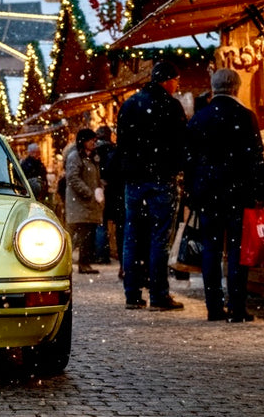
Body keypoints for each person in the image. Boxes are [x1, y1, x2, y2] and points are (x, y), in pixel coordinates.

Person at [185, 67, 264, 322]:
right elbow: (256, 157)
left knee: (210, 249)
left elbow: (189, 160)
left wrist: (193, 191)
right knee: (236, 250)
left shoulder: (200, 118)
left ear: (213, 87)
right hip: (238, 192)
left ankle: (213, 307)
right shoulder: (245, 116)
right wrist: (260, 190)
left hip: (208, 193)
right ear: (236, 88)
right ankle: (237, 306)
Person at [117, 60, 188, 310]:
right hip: (161, 179)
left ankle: (133, 295)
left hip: (134, 181)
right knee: (160, 237)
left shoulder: (130, 104)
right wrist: (178, 170)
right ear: (167, 80)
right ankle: (159, 295)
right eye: (176, 81)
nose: (177, 85)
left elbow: (122, 145)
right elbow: (181, 144)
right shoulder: (171, 106)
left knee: (132, 236)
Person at [64, 128, 104, 274]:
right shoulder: (75, 157)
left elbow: (95, 178)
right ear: (83, 141)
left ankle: (84, 263)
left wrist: (100, 189)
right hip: (79, 203)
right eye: (91, 140)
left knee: (87, 234)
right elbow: (73, 178)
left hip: (90, 203)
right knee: (77, 235)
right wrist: (88, 192)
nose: (94, 142)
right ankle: (69, 262)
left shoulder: (92, 157)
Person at [94, 125, 125, 276]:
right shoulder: (116, 151)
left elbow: (106, 173)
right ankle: (124, 265)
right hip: (120, 195)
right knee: (123, 229)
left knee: (102, 224)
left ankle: (102, 254)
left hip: (107, 194)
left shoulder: (96, 152)